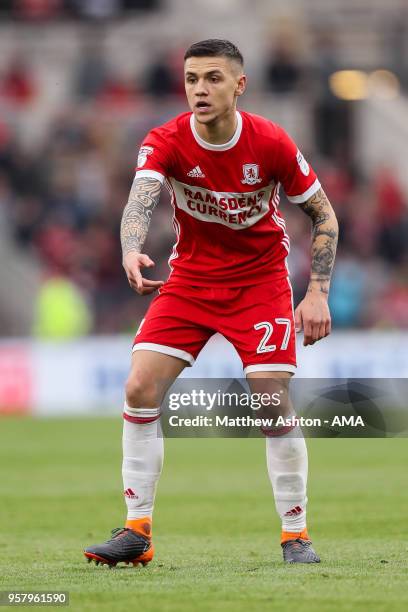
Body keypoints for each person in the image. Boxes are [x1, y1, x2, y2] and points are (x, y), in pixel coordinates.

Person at [84, 39, 338, 567]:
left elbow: (324, 215)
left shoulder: (270, 141)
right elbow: (140, 200)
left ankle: (296, 535)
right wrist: (131, 249)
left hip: (259, 282)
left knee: (270, 400)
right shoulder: (165, 139)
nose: (200, 88)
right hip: (192, 281)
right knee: (138, 385)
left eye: (213, 78)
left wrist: (316, 292)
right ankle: (137, 531)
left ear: (239, 85)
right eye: (192, 78)